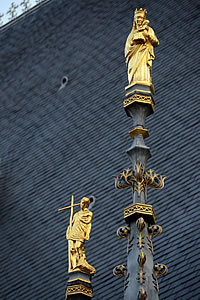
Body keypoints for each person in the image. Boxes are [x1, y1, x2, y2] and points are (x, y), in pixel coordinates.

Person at [125, 8, 159, 86]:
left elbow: (156, 42)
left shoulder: (148, 29)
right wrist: (133, 44)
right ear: (135, 20)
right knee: (135, 76)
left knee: (143, 74)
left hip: (144, 56)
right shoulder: (132, 34)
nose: (139, 19)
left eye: (141, 18)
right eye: (137, 18)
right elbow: (127, 49)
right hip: (134, 59)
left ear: (144, 19)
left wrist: (149, 36)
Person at [66, 197, 96, 274]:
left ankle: (82, 262)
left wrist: (87, 234)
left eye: (83, 203)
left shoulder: (89, 214)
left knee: (78, 246)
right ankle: (75, 265)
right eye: (81, 202)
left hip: (81, 232)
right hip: (73, 232)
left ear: (87, 204)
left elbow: (89, 225)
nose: (81, 204)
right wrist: (68, 231)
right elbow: (72, 224)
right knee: (72, 249)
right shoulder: (76, 214)